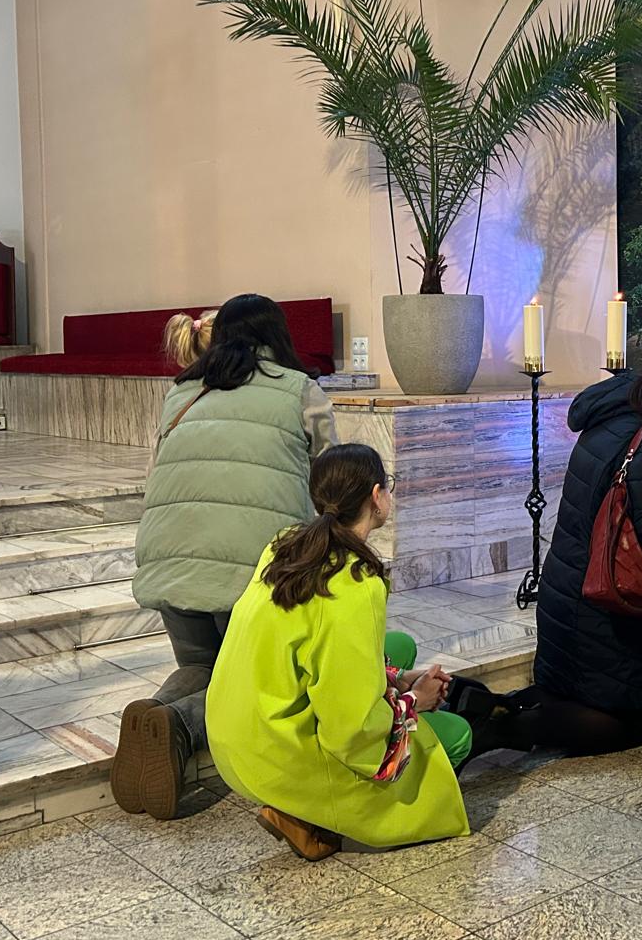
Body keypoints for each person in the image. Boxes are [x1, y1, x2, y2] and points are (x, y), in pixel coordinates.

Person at [113, 293, 338, 820]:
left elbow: (157, 472)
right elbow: (333, 479)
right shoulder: (299, 390)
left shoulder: (181, 392)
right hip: (251, 569)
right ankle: (180, 725)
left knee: (200, 664)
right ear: (278, 335)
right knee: (259, 686)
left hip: (168, 557)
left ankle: (153, 713)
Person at [207, 443, 480, 861]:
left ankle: (303, 805)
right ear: (376, 496)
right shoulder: (355, 584)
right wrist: (413, 701)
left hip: (233, 734)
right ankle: (308, 815)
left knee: (399, 647)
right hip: (278, 757)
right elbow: (351, 729)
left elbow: (317, 653)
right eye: (388, 486)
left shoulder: (284, 546)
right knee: (455, 737)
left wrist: (393, 680)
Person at [523, 343, 642, 754]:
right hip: (600, 596)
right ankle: (502, 727)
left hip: (572, 581)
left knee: (613, 704)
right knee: (630, 724)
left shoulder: (617, 412)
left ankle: (489, 709)